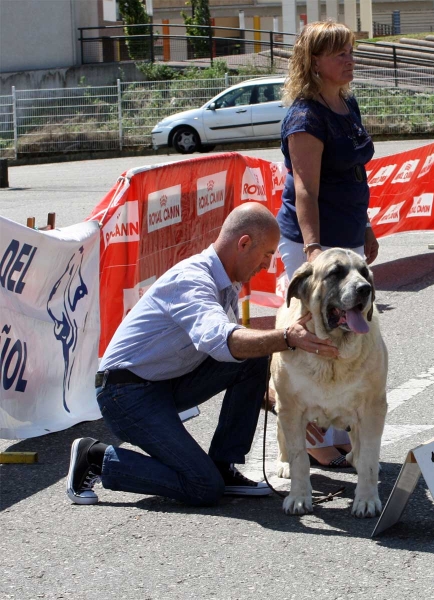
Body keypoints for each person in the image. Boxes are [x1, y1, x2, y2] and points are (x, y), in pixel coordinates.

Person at [66, 202, 338, 507]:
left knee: (256, 354)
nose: (267, 265)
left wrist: (290, 409)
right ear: (244, 243)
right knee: (202, 487)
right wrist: (288, 337)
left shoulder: (226, 284)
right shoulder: (192, 281)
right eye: (266, 255)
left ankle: (224, 466)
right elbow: (225, 341)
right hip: (124, 394)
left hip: (162, 384)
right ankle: (96, 457)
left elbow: (240, 353)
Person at [276, 21, 379, 469]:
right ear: (314, 62)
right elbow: (305, 189)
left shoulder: (345, 102)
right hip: (313, 244)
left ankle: (337, 431)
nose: (349, 60)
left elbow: (356, 173)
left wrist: (367, 225)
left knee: (349, 335)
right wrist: (313, 250)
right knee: (311, 341)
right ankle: (311, 437)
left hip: (348, 238)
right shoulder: (305, 116)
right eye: (340, 54)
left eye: (351, 51)